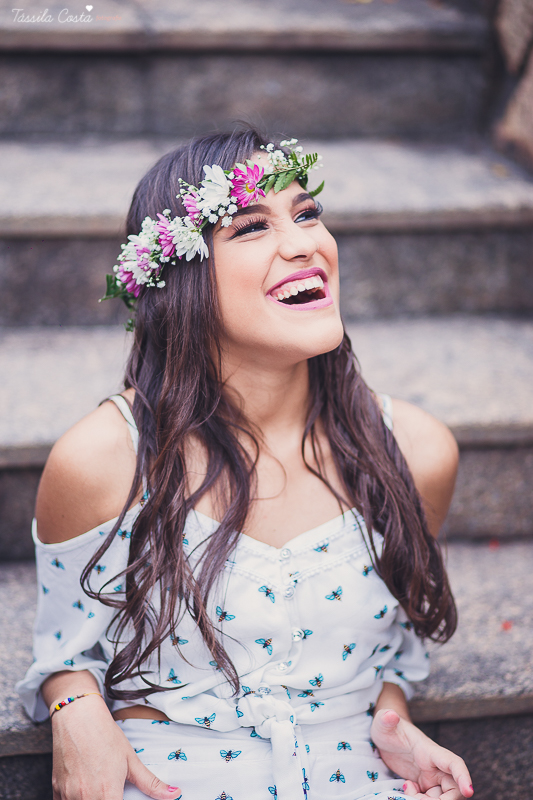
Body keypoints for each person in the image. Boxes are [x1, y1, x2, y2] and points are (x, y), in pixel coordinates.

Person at [17, 129, 474, 800]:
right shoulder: (103, 460)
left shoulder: (414, 450)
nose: (303, 244)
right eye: (252, 226)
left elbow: (390, 654)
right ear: (180, 278)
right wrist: (73, 708)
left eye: (307, 213)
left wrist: (394, 725)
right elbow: (65, 651)